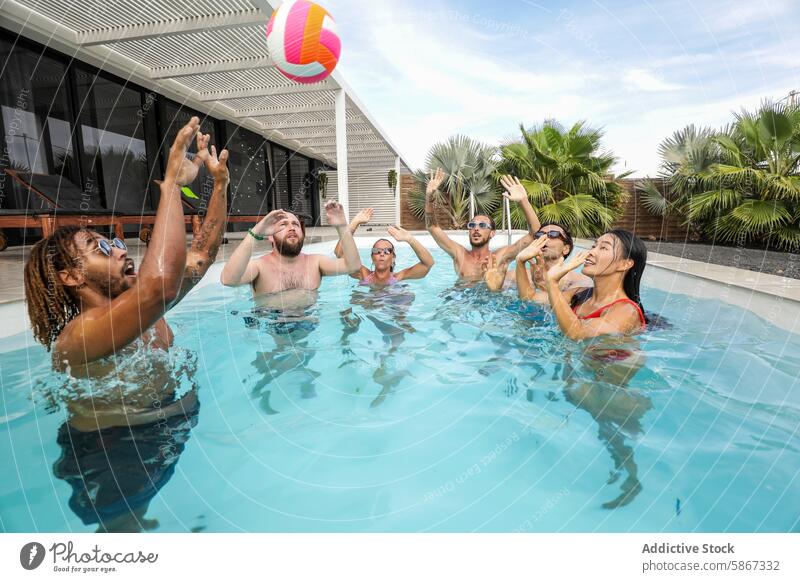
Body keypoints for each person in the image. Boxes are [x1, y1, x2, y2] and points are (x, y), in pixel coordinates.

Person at [24, 117, 228, 381]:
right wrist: (172, 185)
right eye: (99, 248)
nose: (120, 251)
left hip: (175, 419)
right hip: (124, 425)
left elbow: (202, 255)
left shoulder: (146, 307)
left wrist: (220, 185)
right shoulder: (79, 336)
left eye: (115, 243)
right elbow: (160, 287)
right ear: (72, 276)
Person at [219, 201, 361, 309]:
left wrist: (342, 226)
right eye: (283, 225)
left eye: (295, 224)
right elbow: (228, 280)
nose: (291, 227)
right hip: (270, 323)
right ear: (270, 236)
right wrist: (256, 232)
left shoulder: (316, 262)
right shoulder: (260, 267)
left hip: (308, 320)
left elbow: (353, 266)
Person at [424, 169, 541, 287]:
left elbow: (534, 234)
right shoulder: (459, 254)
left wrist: (523, 201)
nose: (476, 229)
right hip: (462, 300)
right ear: (468, 231)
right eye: (472, 225)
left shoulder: (501, 256)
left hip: (491, 300)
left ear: (492, 233)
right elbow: (432, 227)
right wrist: (429, 197)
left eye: (483, 226)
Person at [543, 229, 648, 339]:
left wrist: (553, 283)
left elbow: (576, 334)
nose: (590, 252)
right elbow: (535, 300)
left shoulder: (627, 311)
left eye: (603, 248)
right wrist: (522, 263)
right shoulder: (579, 294)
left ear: (624, 264)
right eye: (593, 246)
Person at [334, 207, 435, 286]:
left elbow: (428, 263)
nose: (382, 253)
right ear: (372, 258)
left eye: (387, 251)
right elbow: (339, 253)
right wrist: (354, 224)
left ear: (393, 258)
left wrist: (410, 239)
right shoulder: (363, 275)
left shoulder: (399, 277)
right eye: (377, 251)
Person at [514, 222, 592, 304]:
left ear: (565, 249)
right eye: (539, 235)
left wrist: (542, 286)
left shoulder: (580, 282)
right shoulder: (521, 275)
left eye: (553, 234)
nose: (544, 237)